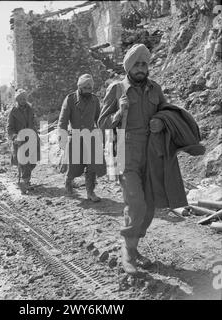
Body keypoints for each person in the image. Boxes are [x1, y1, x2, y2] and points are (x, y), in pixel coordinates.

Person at [98, 44, 204, 275]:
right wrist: (117, 114)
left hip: (152, 154)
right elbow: (101, 124)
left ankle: (133, 248)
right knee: (135, 203)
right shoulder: (116, 89)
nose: (141, 68)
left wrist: (161, 122)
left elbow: (167, 112)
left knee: (148, 208)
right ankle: (127, 251)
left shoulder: (156, 88)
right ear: (128, 66)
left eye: (144, 64)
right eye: (137, 63)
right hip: (126, 154)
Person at [58, 74, 106, 201]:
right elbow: (62, 121)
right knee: (73, 166)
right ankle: (68, 184)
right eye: (85, 87)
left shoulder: (95, 100)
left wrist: (102, 135)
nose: (88, 90)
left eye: (90, 88)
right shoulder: (70, 99)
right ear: (79, 87)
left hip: (90, 137)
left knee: (92, 167)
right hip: (75, 136)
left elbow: (99, 119)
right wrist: (61, 137)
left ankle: (90, 192)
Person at [7, 89, 39, 189]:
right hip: (20, 140)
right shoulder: (13, 111)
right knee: (24, 161)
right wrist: (14, 137)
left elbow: (34, 121)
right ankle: (26, 181)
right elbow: (10, 127)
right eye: (20, 98)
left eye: (24, 98)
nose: (23, 100)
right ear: (17, 99)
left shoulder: (30, 109)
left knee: (33, 162)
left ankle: (25, 175)